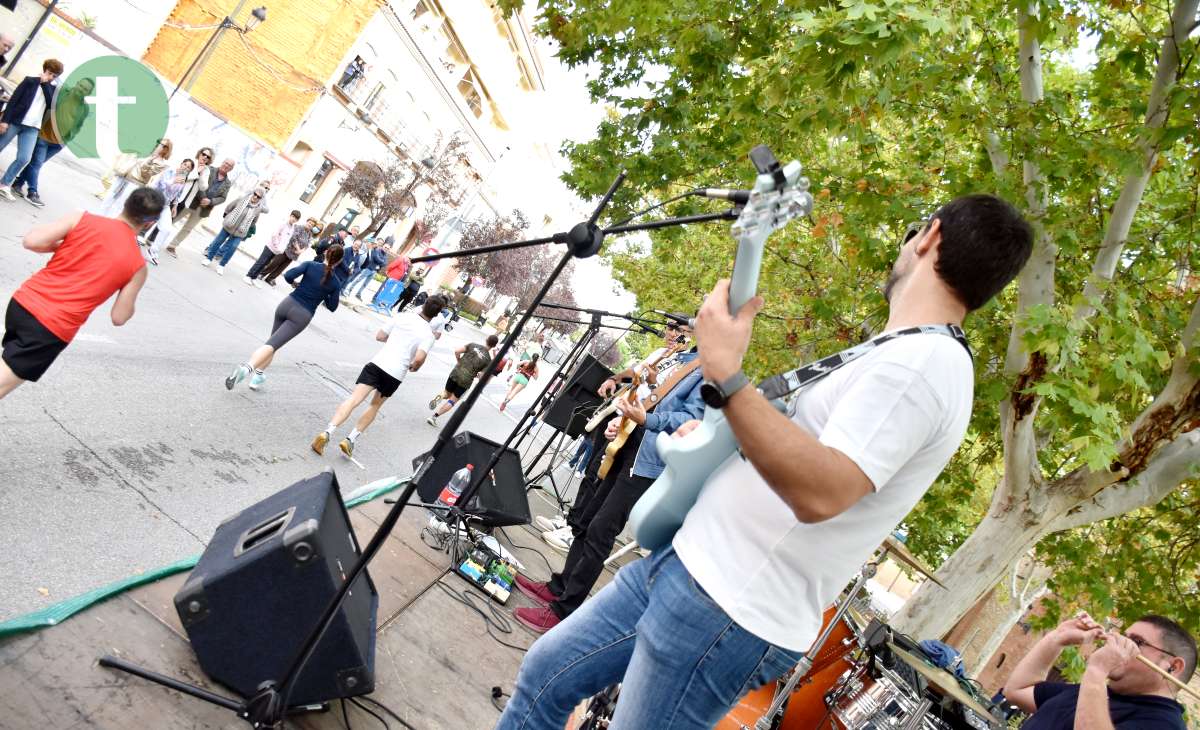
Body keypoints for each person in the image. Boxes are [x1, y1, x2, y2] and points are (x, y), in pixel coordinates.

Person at [497, 194, 1034, 729]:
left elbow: (824, 489)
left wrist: (728, 375)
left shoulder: (923, 367)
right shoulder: (902, 352)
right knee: (547, 675)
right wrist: (718, 433)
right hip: (691, 567)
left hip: (725, 608)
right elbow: (793, 447)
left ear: (930, 236)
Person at [511, 323, 706, 634]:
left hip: (647, 462)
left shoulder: (713, 371)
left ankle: (564, 610)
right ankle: (560, 587)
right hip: (629, 443)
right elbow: (649, 395)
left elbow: (691, 419)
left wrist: (647, 419)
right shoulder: (685, 358)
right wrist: (625, 419)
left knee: (602, 530)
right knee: (588, 521)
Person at [1, 187, 165, 399]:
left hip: (22, 304)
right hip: (51, 327)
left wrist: (66, 246)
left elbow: (32, 241)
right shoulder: (138, 266)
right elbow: (119, 317)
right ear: (150, 223)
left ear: (125, 203)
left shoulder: (82, 219)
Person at [311, 294, 450, 458]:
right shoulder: (428, 334)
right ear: (437, 314)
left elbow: (380, 336)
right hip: (395, 374)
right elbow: (419, 358)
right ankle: (350, 439)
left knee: (354, 399)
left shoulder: (402, 317)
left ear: (424, 304)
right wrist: (415, 366)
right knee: (374, 406)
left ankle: (328, 432)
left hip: (378, 364)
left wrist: (395, 341)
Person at [1004, 612, 1193, 728]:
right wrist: (1057, 639)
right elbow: (1016, 691)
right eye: (1123, 637)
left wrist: (1096, 671)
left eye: (1136, 642)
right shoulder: (1091, 693)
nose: (1114, 642)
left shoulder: (1165, 724)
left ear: (1172, 667)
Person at [224, 244, 348, 392]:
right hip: (302, 315)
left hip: (286, 304)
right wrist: (326, 294)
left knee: (272, 343)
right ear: (339, 261)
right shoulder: (335, 282)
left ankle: (258, 376)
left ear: (326, 253)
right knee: (273, 344)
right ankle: (247, 368)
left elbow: (288, 276)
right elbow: (333, 307)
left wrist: (297, 284)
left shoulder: (310, 264)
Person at [9, 76, 95, 208]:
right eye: (81, 86)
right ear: (77, 83)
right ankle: (33, 192)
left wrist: (67, 139)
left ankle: (18, 183)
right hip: (44, 135)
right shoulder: (61, 93)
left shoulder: (85, 108)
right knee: (37, 163)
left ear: (88, 93)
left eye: (85, 89)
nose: (81, 90)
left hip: (58, 143)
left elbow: (78, 125)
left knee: (35, 164)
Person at [0, 59, 63, 201]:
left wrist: (45, 82)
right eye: (49, 73)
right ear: (44, 69)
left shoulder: (52, 90)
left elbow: (51, 105)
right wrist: (5, 121)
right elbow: (13, 101)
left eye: (54, 75)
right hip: (16, 121)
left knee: (24, 158)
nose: (51, 77)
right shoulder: (29, 81)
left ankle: (4, 184)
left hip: (33, 128)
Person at [426, 334, 499, 427]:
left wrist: (459, 361)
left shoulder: (473, 345)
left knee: (447, 393)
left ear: (486, 339)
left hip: (455, 373)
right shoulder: (488, 360)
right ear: (494, 346)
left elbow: (457, 351)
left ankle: (440, 396)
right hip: (466, 381)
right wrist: (476, 375)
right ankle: (434, 417)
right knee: (452, 401)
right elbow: (481, 376)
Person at [164, 156, 233, 257]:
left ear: (231, 169)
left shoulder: (228, 183)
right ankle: (155, 236)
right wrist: (203, 198)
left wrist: (210, 201)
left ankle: (172, 246)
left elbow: (223, 198)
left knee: (188, 228)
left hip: (204, 209)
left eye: (229, 165)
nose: (226, 166)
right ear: (222, 162)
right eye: (226, 163)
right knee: (173, 219)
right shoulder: (209, 169)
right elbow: (200, 182)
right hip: (193, 201)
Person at [201, 186, 268, 275]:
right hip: (229, 225)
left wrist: (245, 227)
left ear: (261, 199)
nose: (255, 197)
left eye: (258, 196)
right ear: (253, 193)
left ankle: (221, 265)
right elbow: (230, 207)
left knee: (233, 247)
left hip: (240, 231)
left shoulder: (258, 209)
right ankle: (209, 258)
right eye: (255, 194)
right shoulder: (241, 199)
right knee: (218, 241)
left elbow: (254, 221)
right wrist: (227, 217)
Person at [98, 138, 173, 216]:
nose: (157, 145)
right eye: (158, 142)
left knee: (120, 205)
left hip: (134, 183)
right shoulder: (148, 154)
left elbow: (145, 174)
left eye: (160, 144)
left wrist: (149, 161)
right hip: (123, 176)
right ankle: (99, 218)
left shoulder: (161, 164)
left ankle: (110, 224)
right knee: (108, 198)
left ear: (166, 149)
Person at [141, 158, 193, 265]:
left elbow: (178, 194)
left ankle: (152, 251)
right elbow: (162, 184)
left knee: (167, 229)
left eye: (188, 168)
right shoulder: (171, 171)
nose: (186, 168)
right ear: (181, 164)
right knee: (142, 220)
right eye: (185, 165)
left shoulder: (183, 180)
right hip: (155, 199)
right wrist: (173, 181)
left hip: (165, 205)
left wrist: (174, 206)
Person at [245, 210, 300, 285]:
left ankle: (254, 277)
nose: (294, 219)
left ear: (297, 220)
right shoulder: (283, 224)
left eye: (296, 218)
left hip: (277, 250)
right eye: (293, 216)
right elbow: (274, 235)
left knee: (265, 264)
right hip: (270, 247)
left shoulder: (292, 228)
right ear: (290, 215)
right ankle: (248, 276)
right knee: (261, 262)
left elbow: (287, 240)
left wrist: (281, 249)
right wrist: (277, 245)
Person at [260, 217, 318, 287]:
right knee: (275, 263)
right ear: (307, 221)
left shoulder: (309, 234)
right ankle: (262, 274)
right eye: (309, 223)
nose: (310, 225)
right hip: (287, 249)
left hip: (295, 254)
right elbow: (294, 237)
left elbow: (308, 244)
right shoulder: (298, 227)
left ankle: (270, 278)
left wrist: (301, 251)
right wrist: (298, 249)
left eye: (312, 225)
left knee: (282, 267)